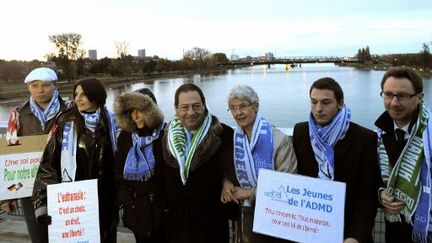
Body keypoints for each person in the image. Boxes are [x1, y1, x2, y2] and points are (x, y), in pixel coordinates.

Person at [292, 77, 379, 243]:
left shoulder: (365, 138)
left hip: (348, 232)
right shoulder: (300, 131)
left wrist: (355, 236)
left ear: (340, 103)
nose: (318, 109)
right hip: (309, 229)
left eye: (326, 102)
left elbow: (367, 195)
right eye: (314, 102)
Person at [32, 78, 118, 243]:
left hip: (106, 202)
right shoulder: (65, 124)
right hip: (75, 203)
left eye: (83, 95)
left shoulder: (112, 122)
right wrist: (41, 202)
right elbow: (48, 165)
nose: (77, 99)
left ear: (96, 96)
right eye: (76, 94)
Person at [221, 85, 298, 242]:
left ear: (256, 106)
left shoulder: (278, 140)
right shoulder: (233, 140)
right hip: (243, 217)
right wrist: (225, 182)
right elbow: (225, 169)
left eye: (243, 106)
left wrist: (249, 193)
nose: (238, 113)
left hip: (276, 221)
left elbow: (289, 185)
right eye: (233, 108)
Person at [1, 67, 67, 243]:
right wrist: (9, 194)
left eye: (45, 85)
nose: (40, 90)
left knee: (67, 234)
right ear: (28, 88)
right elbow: (12, 158)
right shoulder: (18, 115)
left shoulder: (70, 111)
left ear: (56, 86)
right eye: (34, 85)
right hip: (29, 186)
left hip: (64, 183)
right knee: (39, 237)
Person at [161, 83, 232, 243]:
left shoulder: (224, 134)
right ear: (176, 108)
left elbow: (233, 171)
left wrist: (227, 179)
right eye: (185, 107)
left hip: (212, 227)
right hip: (176, 227)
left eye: (196, 106)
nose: (191, 112)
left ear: (204, 105)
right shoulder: (164, 138)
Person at [375, 67, 432, 243]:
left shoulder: (429, 134)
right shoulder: (378, 133)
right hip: (394, 229)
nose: (394, 102)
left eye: (402, 96)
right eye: (388, 94)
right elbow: (372, 176)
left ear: (420, 97)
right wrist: (381, 193)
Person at [113, 89, 167, 243]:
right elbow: (118, 170)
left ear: (151, 111)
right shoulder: (125, 137)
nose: (135, 116)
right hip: (136, 211)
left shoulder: (166, 133)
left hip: (162, 212)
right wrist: (127, 201)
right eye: (131, 112)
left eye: (140, 111)